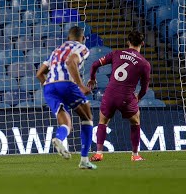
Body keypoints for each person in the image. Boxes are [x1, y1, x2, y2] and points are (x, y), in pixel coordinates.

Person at [36, 26, 97, 170]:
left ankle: (60, 138)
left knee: (66, 123)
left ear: (68, 38)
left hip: (49, 87)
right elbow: (71, 62)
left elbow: (39, 73)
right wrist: (81, 85)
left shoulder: (57, 50)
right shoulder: (82, 48)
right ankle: (84, 160)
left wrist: (50, 86)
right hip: (66, 84)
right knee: (87, 118)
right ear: (83, 38)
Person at [87, 30, 151, 162]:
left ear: (128, 42)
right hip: (126, 98)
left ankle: (99, 153)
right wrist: (137, 98)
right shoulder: (144, 64)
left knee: (103, 122)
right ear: (142, 43)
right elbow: (145, 88)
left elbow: (94, 64)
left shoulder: (116, 53)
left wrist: (92, 79)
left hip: (110, 94)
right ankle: (135, 155)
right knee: (135, 121)